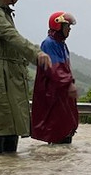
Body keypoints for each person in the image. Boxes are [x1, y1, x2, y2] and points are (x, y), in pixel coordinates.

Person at [0, 0, 52, 154]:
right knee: (0, 116)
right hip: (0, 70)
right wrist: (36, 53)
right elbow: (11, 36)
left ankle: (9, 166)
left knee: (14, 118)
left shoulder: (2, 13)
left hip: (11, 70)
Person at [31, 11, 79, 144]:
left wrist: (69, 83)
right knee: (56, 129)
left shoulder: (62, 44)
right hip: (52, 93)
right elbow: (55, 69)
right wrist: (69, 83)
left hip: (62, 93)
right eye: (67, 26)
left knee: (65, 126)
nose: (69, 29)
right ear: (58, 26)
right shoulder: (49, 43)